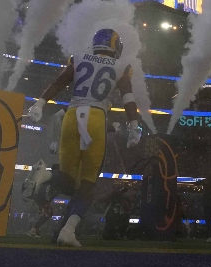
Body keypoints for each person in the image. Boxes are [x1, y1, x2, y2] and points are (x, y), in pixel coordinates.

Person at [26, 28, 143, 247]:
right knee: (88, 183)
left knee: (69, 181)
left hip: (71, 115)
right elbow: (128, 97)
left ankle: (48, 176)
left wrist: (40, 103)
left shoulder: (78, 57)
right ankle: (69, 230)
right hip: (97, 117)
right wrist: (134, 126)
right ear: (115, 45)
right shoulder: (121, 66)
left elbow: (59, 83)